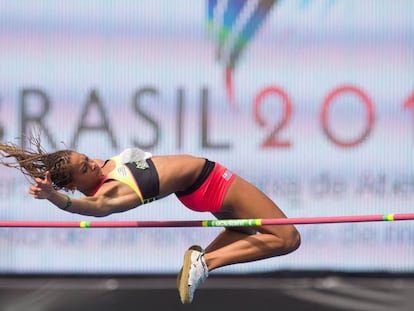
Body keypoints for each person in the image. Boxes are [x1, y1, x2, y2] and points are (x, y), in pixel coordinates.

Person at [0, 136, 301, 304]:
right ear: (73, 184)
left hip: (197, 189)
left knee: (252, 232)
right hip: (211, 182)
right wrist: (53, 196)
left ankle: (202, 258)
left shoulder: (105, 171)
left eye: (86, 157)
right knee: (287, 238)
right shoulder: (108, 194)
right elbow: (86, 208)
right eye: (85, 167)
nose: (93, 162)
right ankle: (206, 263)